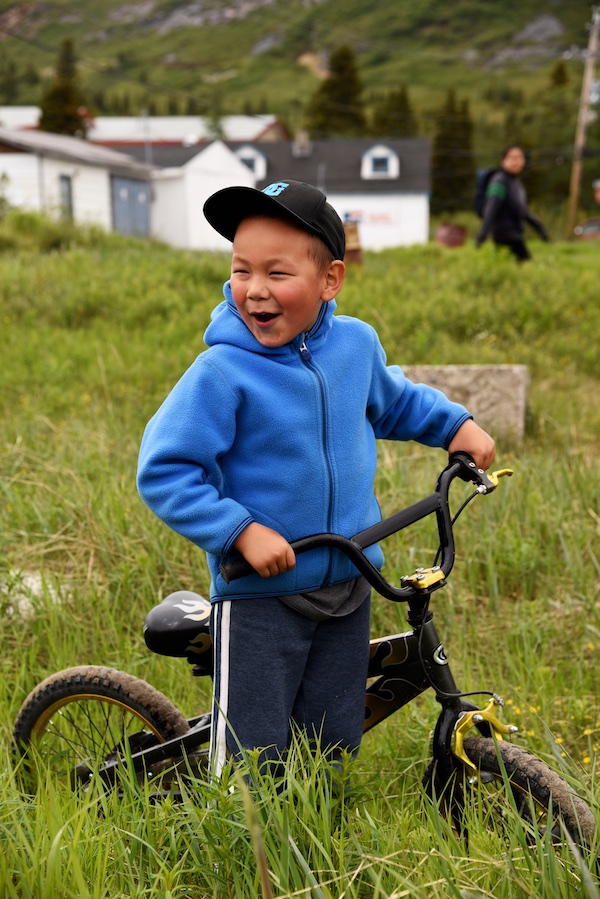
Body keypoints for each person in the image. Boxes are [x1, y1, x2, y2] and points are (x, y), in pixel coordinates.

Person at [137, 179, 496, 779]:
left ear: (330, 279)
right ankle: (241, 834)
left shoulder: (355, 345)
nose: (254, 289)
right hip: (261, 593)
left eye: (277, 273)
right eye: (241, 270)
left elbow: (395, 402)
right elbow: (166, 469)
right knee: (253, 754)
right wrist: (240, 531)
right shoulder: (221, 372)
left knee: (333, 742)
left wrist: (454, 425)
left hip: (352, 578)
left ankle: (320, 827)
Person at [476, 145, 549, 262]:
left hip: (515, 233)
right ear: (503, 160)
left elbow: (522, 210)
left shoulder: (514, 182)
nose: (517, 161)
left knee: (509, 265)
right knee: (525, 264)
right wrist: (483, 234)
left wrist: (539, 228)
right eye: (513, 158)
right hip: (504, 234)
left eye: (520, 158)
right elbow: (491, 207)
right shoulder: (499, 181)